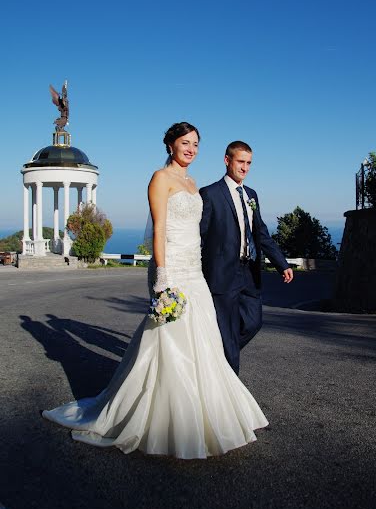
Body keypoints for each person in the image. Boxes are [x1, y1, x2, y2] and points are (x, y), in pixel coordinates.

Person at [42, 123, 268, 459]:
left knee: (204, 341)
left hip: (195, 271)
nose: (191, 149)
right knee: (170, 341)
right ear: (171, 145)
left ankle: (208, 415)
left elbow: (204, 232)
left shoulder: (192, 184)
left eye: (195, 144)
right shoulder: (160, 178)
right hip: (172, 269)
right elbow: (160, 229)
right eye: (185, 143)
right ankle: (166, 419)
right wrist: (162, 278)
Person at [200, 141, 293, 375]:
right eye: (240, 161)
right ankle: (229, 385)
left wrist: (281, 263)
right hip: (221, 274)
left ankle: (216, 356)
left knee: (253, 322)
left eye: (249, 163)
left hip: (249, 272)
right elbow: (199, 236)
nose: (245, 168)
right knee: (228, 330)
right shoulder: (210, 194)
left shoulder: (251, 195)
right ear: (227, 160)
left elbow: (261, 233)